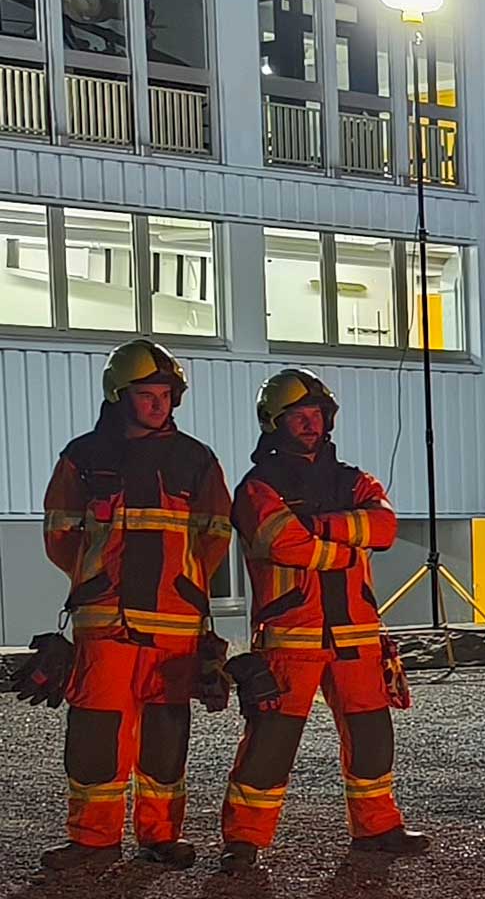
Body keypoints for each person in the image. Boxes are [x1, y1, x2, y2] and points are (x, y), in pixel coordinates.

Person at [220, 368, 428, 871]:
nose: (310, 424)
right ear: (275, 422)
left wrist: (315, 527)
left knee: (373, 735)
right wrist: (341, 545)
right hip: (292, 636)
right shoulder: (256, 488)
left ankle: (377, 828)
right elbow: (279, 543)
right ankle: (243, 839)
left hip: (356, 633)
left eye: (315, 415)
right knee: (271, 741)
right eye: (298, 416)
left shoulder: (354, 479)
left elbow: (383, 528)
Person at [37, 341, 233, 871]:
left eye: (165, 396)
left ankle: (161, 836)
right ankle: (93, 840)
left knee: (166, 734)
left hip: (173, 621)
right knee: (97, 732)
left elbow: (216, 534)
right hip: (107, 622)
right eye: (147, 395)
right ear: (119, 396)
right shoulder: (84, 455)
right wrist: (98, 577)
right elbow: (60, 533)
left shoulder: (197, 459)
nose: (158, 405)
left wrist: (183, 584)